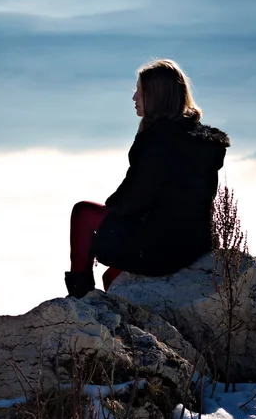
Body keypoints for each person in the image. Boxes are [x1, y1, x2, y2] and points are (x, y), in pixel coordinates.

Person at [64, 58, 230, 299]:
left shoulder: (157, 141)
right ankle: (118, 312)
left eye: (139, 91)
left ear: (155, 96)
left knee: (83, 214)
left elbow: (134, 199)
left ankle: (81, 299)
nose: (134, 97)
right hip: (193, 245)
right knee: (112, 276)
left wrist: (110, 217)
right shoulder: (201, 143)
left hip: (160, 248)